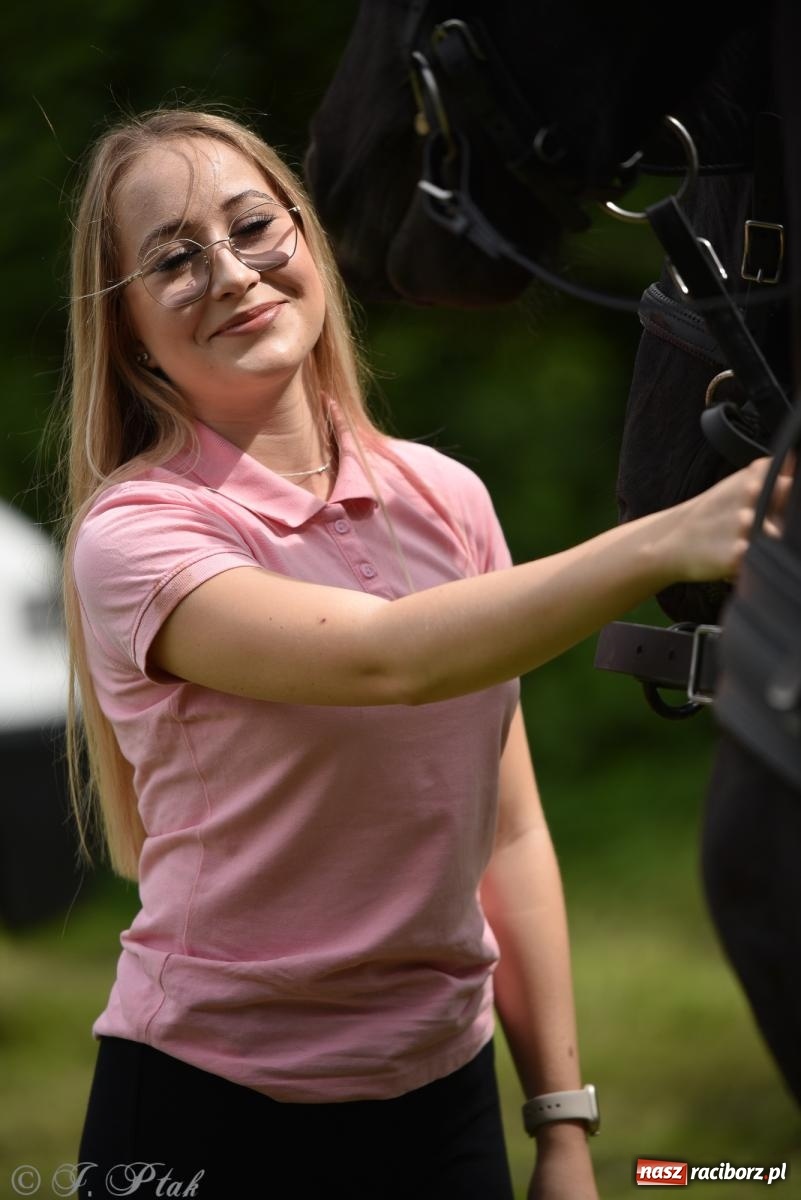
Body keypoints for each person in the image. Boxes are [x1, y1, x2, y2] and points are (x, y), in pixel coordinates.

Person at [62, 108, 789, 1200]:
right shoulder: (135, 534)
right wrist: (670, 536)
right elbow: (387, 661)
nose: (229, 272)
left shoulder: (446, 497)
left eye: (254, 226)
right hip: (208, 1104)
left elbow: (508, 830)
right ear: (126, 335)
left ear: (307, 240)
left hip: (443, 1103)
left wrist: (560, 1125)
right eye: (173, 259)